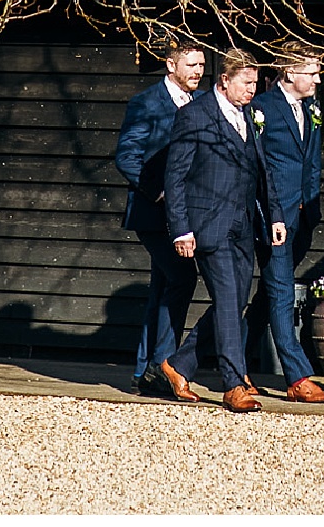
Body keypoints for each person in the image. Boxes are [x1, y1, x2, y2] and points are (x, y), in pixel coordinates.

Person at [163, 48, 286, 412]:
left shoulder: (250, 115)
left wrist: (275, 215)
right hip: (208, 225)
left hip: (243, 224)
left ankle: (179, 363)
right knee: (229, 298)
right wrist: (181, 229)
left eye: (255, 83)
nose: (252, 90)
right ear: (224, 80)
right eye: (246, 83)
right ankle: (233, 384)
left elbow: (263, 170)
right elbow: (176, 176)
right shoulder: (194, 115)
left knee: (235, 301)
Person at [114, 39, 206, 394]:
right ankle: (164, 363)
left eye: (201, 65)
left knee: (163, 287)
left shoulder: (199, 104)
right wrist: (159, 191)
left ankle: (144, 371)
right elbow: (127, 156)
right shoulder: (147, 103)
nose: (198, 71)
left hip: (183, 215)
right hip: (153, 213)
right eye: (191, 65)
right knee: (182, 277)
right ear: (171, 66)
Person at [249, 53, 324, 403]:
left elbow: (311, 162)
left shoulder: (310, 109)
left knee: (268, 295)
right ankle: (297, 377)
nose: (318, 80)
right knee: (281, 292)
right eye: (311, 73)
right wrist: (273, 213)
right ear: (290, 71)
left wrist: (310, 205)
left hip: (302, 216)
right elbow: (259, 166)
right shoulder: (263, 107)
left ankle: (217, 361)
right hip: (273, 217)